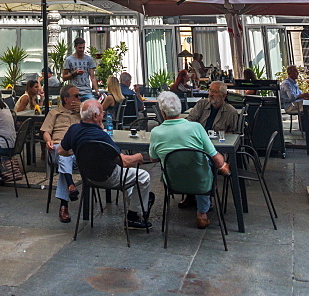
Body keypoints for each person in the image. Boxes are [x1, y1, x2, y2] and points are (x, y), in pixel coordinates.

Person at [58, 98, 153, 230]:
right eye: (102, 112)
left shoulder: (74, 129)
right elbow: (124, 162)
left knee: (130, 179)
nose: (104, 115)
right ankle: (134, 216)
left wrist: (79, 150)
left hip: (88, 177)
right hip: (108, 177)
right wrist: (138, 157)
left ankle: (136, 206)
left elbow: (61, 151)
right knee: (143, 176)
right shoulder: (101, 136)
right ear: (96, 116)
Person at [149, 90, 230, 229]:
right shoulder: (196, 127)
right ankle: (202, 214)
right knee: (205, 164)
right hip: (200, 182)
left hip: (173, 182)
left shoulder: (156, 132)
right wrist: (223, 164)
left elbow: (153, 159)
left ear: (162, 112)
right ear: (180, 109)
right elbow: (217, 159)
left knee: (183, 164)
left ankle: (189, 198)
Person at [41, 83, 82, 223]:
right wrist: (48, 141)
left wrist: (82, 110)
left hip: (77, 151)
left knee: (68, 156)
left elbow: (96, 124)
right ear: (66, 99)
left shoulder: (82, 114)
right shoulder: (54, 113)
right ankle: (65, 200)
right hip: (57, 148)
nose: (79, 98)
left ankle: (69, 190)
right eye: (76, 96)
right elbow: (46, 131)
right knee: (64, 153)